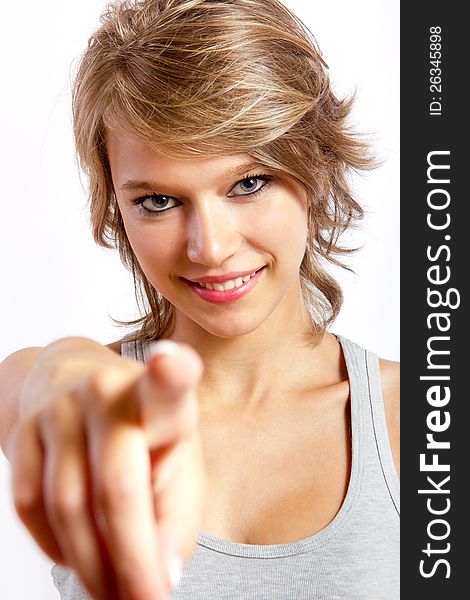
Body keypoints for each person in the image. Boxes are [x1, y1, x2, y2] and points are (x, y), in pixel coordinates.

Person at [0, 0, 400, 599]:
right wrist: (49, 374)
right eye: (158, 201)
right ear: (115, 206)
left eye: (248, 183)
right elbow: (31, 385)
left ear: (315, 167)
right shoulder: (86, 408)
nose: (209, 248)